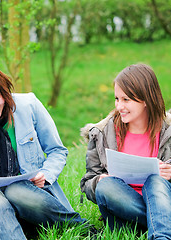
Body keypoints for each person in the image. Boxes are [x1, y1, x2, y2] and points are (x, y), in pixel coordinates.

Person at [0, 59, 88, 240]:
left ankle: (80, 227)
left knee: (16, 190)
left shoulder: (29, 106)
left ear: (4, 91)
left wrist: (45, 175)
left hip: (30, 198)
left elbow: (57, 151)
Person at [80, 63, 171, 239]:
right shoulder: (102, 133)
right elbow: (87, 183)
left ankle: (161, 235)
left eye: (126, 100)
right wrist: (99, 180)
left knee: (156, 181)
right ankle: (162, 224)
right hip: (123, 209)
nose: (119, 106)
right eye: (117, 99)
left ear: (146, 99)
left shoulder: (168, 130)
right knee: (107, 186)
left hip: (162, 200)